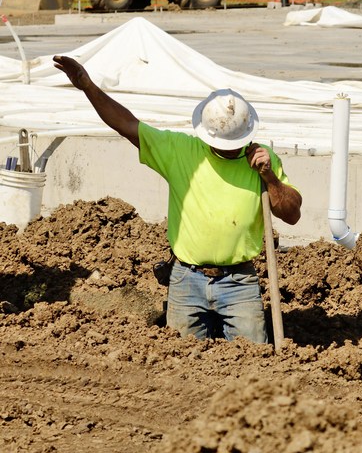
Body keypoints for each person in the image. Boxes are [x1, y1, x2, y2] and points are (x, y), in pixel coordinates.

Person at [53, 55, 302, 344]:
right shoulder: (181, 150)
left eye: (234, 145)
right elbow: (127, 125)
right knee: (180, 361)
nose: (231, 151)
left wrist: (269, 178)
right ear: (206, 136)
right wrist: (88, 87)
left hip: (239, 283)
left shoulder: (261, 160)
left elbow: (292, 214)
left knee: (252, 359)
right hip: (187, 279)